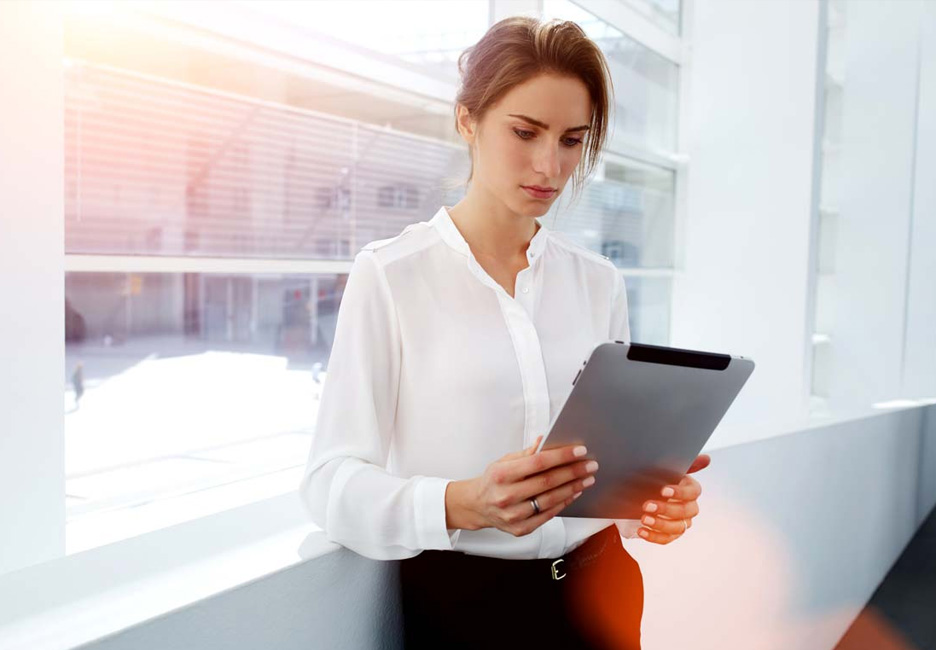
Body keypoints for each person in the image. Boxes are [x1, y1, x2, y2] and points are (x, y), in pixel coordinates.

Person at [299, 16, 709, 650]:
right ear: (468, 120)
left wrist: (649, 506)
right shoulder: (391, 275)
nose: (550, 165)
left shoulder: (598, 282)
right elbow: (330, 485)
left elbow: (603, 482)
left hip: (603, 591)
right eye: (525, 132)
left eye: (572, 140)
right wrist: (464, 502)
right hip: (466, 608)